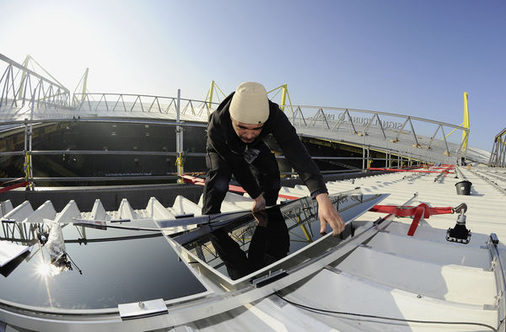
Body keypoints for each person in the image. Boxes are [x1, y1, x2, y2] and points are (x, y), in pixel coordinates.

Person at [202, 82, 345, 235]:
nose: (249, 135)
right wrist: (256, 195)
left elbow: (295, 150)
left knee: (271, 170)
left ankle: (268, 214)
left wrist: (321, 195)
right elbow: (237, 165)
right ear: (232, 118)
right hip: (224, 145)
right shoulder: (217, 125)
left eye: (257, 128)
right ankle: (208, 222)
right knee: (220, 176)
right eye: (242, 127)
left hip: (254, 146)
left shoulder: (274, 115)